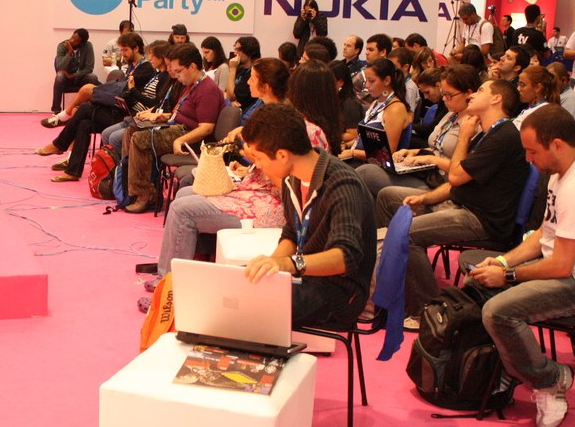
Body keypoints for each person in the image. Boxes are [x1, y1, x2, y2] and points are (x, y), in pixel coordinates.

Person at [466, 104, 575, 427]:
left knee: (498, 312)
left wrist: (508, 275)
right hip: (570, 273)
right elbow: (545, 234)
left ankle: (551, 380)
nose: (528, 159)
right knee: (480, 279)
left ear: (557, 144)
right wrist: (502, 262)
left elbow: (560, 264)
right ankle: (513, 368)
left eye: (532, 151)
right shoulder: (562, 173)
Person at [155, 58, 333, 277]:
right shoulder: (293, 123)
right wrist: (251, 169)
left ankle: (170, 282)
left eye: (252, 78)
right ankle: (189, 270)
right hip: (260, 193)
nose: (247, 82)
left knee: (182, 210)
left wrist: (255, 160)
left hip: (272, 206)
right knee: (185, 193)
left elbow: (292, 189)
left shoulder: (304, 130)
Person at [375, 78, 530, 324]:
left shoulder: (504, 136)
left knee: (407, 234)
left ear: (496, 99)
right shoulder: (490, 133)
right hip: (460, 204)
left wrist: (465, 136)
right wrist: (424, 198)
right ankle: (397, 286)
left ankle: (428, 311)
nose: (472, 95)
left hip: (480, 218)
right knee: (388, 197)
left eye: (480, 90)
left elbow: (456, 175)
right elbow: (458, 184)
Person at [242, 104, 376, 328]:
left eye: (258, 158)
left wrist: (290, 264)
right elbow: (292, 233)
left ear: (282, 155)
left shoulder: (342, 184)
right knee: (238, 289)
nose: (258, 165)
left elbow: (346, 257)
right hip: (308, 279)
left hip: (342, 293)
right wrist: (273, 262)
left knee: (250, 312)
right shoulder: (291, 178)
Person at [36, 32, 154, 182]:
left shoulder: (145, 68)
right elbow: (122, 91)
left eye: (125, 50)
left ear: (136, 48)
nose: (122, 54)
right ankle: (72, 171)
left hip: (126, 115)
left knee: (85, 107)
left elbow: (127, 94)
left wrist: (105, 93)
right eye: (122, 50)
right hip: (118, 108)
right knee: (84, 123)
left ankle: (59, 143)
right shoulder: (132, 67)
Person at [121, 43, 222, 213]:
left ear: (192, 66)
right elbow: (184, 113)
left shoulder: (208, 90)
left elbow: (206, 128)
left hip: (190, 137)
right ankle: (127, 187)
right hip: (178, 128)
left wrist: (181, 140)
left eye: (178, 71)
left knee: (139, 139)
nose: (175, 76)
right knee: (131, 131)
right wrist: (165, 116)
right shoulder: (192, 84)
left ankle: (144, 194)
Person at [357, 64, 480, 198]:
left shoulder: (474, 124)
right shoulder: (451, 114)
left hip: (441, 182)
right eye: (443, 94)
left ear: (468, 93)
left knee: (365, 173)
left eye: (449, 95)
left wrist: (430, 159)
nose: (444, 99)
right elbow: (437, 147)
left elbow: (464, 170)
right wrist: (411, 152)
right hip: (428, 172)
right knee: (367, 172)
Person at [339, 58, 411, 165]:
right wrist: (347, 145)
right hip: (361, 161)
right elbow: (364, 140)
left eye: (371, 81)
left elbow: (387, 154)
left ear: (387, 80)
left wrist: (353, 153)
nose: (367, 86)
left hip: (375, 167)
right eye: (366, 81)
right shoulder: (375, 103)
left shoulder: (396, 109)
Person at [49, 28, 99, 114]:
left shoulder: (88, 46)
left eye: (76, 40)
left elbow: (89, 68)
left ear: (82, 43)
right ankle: (56, 110)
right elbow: (60, 67)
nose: (71, 41)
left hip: (80, 78)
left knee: (92, 77)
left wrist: (74, 75)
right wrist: (69, 53)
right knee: (59, 76)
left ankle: (94, 108)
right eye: (72, 37)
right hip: (66, 80)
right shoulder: (62, 46)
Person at [226, 36, 260, 113]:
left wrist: (232, 69)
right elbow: (229, 95)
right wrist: (231, 102)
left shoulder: (255, 72)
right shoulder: (240, 69)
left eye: (238, 50)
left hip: (247, 113)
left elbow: (232, 96)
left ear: (248, 51)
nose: (235, 53)